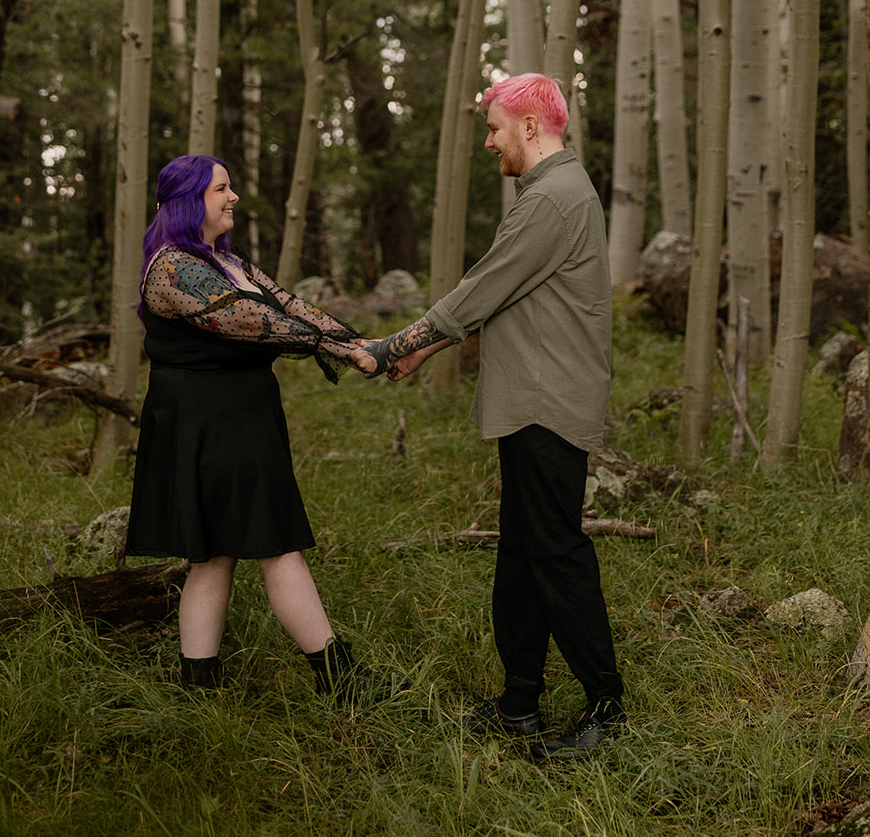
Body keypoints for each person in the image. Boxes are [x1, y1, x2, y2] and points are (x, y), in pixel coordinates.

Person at [352, 73, 624, 761]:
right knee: (520, 555)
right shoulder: (548, 195)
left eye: (495, 128)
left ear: (532, 125)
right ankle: (518, 703)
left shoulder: (554, 199)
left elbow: (478, 291)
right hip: (528, 401)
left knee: (554, 554)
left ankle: (606, 705)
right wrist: (420, 354)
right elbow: (496, 297)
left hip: (546, 403)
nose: (488, 142)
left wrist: (396, 348)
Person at [124, 152, 389, 702]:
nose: (234, 196)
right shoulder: (173, 267)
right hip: (207, 419)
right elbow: (249, 321)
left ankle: (198, 689)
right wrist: (334, 347)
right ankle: (342, 682)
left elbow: (287, 304)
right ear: (187, 200)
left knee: (216, 553)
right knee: (274, 545)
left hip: (238, 416)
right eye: (222, 188)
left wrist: (356, 342)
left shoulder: (227, 260)